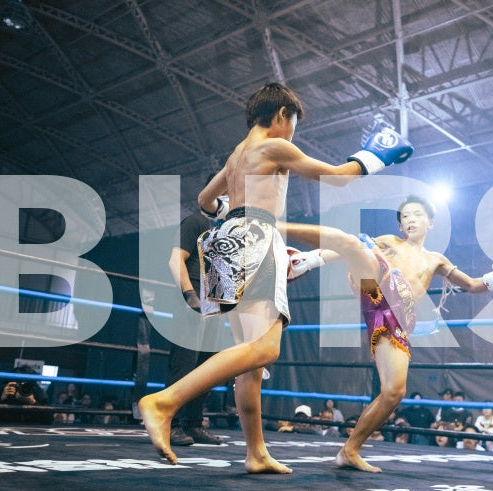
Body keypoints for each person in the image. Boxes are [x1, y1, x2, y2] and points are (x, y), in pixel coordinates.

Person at [138, 82, 412, 470]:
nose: (293, 134)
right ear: (283, 114)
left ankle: (256, 453)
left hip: (225, 242)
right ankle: (164, 402)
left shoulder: (236, 156)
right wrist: (376, 155)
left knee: (250, 365)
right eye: (294, 124)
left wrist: (233, 210)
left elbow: (204, 201)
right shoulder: (273, 146)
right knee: (265, 349)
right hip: (255, 235)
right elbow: (338, 176)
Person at [282, 194, 493, 471]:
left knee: (394, 392)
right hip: (378, 287)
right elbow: (354, 251)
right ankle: (302, 260)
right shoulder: (391, 242)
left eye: (417, 215)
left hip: (397, 320)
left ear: (430, 223)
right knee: (359, 245)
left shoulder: (436, 260)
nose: (410, 220)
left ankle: (349, 450)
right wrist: (319, 259)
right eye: (406, 216)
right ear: (400, 226)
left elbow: (471, 285)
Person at [164, 206, 227, 446]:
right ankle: (169, 424)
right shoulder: (196, 222)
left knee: (206, 368)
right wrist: (190, 295)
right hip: (193, 299)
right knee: (184, 363)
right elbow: (175, 259)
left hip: (214, 305)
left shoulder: (224, 235)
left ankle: (193, 423)